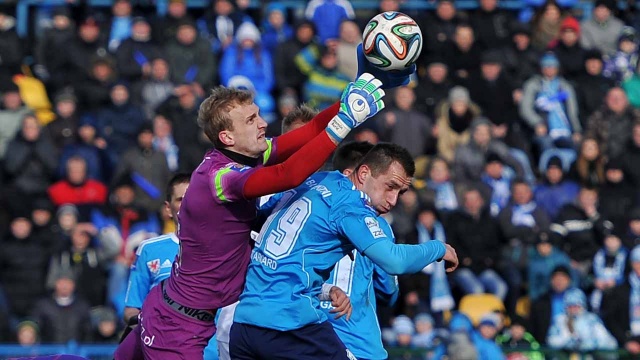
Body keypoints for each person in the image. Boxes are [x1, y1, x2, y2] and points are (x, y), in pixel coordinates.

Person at [115, 66, 403, 359]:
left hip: (177, 310)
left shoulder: (239, 156)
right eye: (252, 119)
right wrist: (344, 121)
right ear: (227, 137)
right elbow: (288, 174)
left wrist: (352, 95)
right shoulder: (220, 178)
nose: (263, 123)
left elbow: (308, 132)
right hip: (178, 328)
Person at [230, 143, 459, 359]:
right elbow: (394, 263)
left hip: (244, 326)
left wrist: (326, 289)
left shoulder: (316, 180)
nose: (393, 200)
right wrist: (438, 248)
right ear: (363, 174)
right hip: (288, 326)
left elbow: (261, 225)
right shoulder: (352, 207)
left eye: (401, 192)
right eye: (390, 187)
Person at [320, 140, 400, 360]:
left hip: (306, 334)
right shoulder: (378, 226)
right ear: (357, 174)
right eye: (384, 184)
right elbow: (388, 289)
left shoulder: (312, 210)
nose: (390, 198)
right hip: (357, 341)